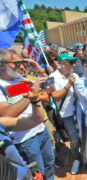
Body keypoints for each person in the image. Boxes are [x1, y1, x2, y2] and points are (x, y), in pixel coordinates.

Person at [0, 49, 54, 179]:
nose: (22, 66)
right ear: (2, 65)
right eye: (17, 63)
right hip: (25, 140)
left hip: (41, 130)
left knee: (49, 165)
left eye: (23, 63)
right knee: (38, 173)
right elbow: (6, 113)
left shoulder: (21, 79)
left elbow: (50, 88)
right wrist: (31, 96)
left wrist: (39, 70)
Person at [49, 53, 81, 174]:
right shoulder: (52, 77)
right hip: (66, 115)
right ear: (62, 64)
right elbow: (55, 96)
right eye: (71, 62)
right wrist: (69, 85)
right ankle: (77, 159)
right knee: (74, 138)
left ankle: (83, 155)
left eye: (74, 62)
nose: (74, 65)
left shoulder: (75, 75)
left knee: (80, 136)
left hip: (78, 112)